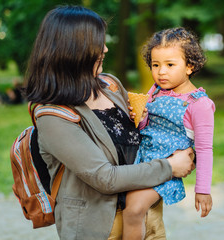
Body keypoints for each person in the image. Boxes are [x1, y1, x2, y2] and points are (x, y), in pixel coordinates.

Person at [23, 6, 195, 240]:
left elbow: (145, 136)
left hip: (146, 216)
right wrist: (170, 167)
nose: (105, 48)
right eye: (97, 43)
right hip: (102, 228)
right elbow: (105, 177)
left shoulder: (110, 85)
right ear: (73, 49)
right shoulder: (53, 116)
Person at [123, 27, 215, 240]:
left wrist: (202, 189)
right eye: (156, 65)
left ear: (189, 66)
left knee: (134, 210)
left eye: (170, 65)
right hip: (140, 162)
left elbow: (204, 148)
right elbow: (147, 126)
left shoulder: (199, 104)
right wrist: (141, 116)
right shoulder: (155, 91)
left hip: (166, 170)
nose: (161, 72)